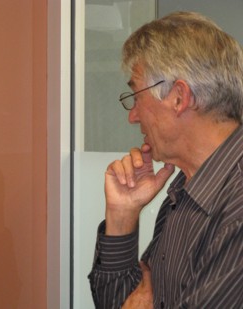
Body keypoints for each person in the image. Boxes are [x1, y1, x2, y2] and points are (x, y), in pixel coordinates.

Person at [88, 11, 243, 308]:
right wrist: (121, 216)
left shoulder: (237, 208)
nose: (133, 117)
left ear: (178, 97)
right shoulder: (184, 187)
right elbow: (128, 301)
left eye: (137, 97)